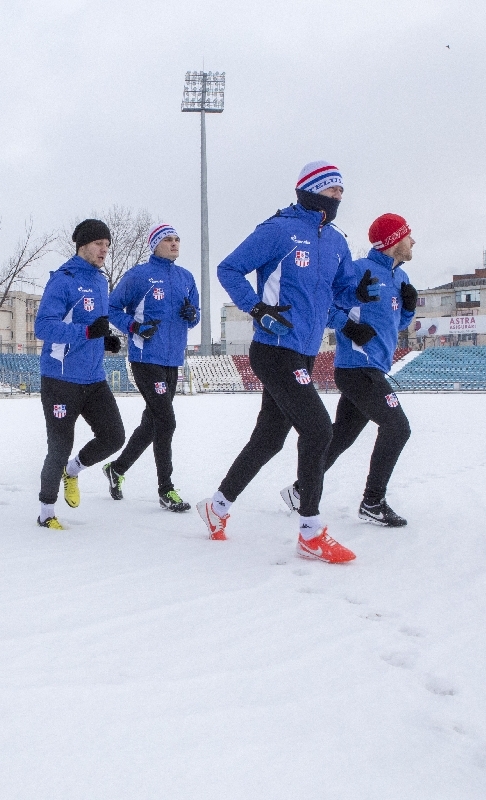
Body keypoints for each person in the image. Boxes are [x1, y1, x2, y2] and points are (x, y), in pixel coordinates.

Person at [196, 161, 377, 564]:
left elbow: (337, 297)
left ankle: (217, 506)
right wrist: (256, 308)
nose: (338, 199)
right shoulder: (278, 230)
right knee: (317, 429)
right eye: (333, 191)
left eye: (342, 193)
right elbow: (230, 268)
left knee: (268, 440)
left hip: (306, 351)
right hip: (274, 348)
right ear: (311, 189)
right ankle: (311, 532)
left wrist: (358, 293)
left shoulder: (336, 242)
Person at [281, 213, 417, 527]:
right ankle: (373, 501)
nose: (413, 242)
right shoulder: (357, 270)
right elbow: (324, 307)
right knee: (398, 427)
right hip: (357, 368)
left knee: (340, 436)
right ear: (393, 241)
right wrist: (350, 328)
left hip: (373, 369)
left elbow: (398, 325)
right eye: (408, 235)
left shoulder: (401, 279)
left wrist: (409, 307)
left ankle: (301, 490)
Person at [33, 219, 126, 529]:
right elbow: (43, 327)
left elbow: (95, 325)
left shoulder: (101, 281)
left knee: (114, 436)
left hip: (94, 377)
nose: (104, 250)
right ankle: (46, 512)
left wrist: (105, 339)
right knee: (59, 446)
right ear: (83, 245)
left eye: (107, 245)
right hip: (61, 378)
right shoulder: (63, 280)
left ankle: (72, 471)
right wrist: (87, 331)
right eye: (100, 244)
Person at [104, 223, 200, 512]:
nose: (174, 244)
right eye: (168, 239)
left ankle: (117, 469)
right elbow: (112, 308)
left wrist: (192, 314)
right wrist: (134, 327)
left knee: (153, 423)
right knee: (166, 421)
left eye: (177, 239)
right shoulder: (138, 276)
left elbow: (193, 318)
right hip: (146, 359)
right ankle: (166, 489)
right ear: (155, 245)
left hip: (173, 360)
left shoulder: (186, 277)